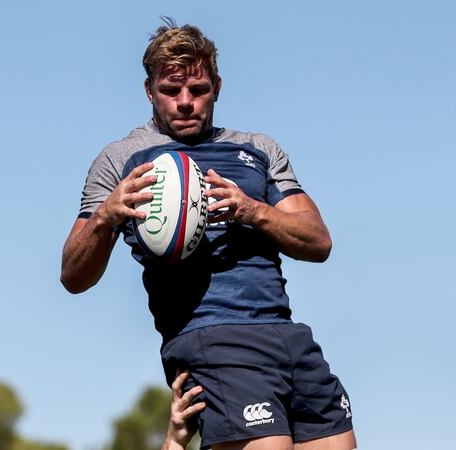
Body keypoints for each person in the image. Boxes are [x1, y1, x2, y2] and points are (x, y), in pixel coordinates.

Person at [61, 18, 356, 450]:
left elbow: (319, 242)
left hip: (287, 334)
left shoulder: (258, 149)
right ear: (149, 91)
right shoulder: (121, 159)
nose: (185, 102)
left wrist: (252, 210)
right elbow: (73, 275)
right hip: (212, 337)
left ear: (217, 87)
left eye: (198, 90)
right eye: (171, 90)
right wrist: (106, 215)